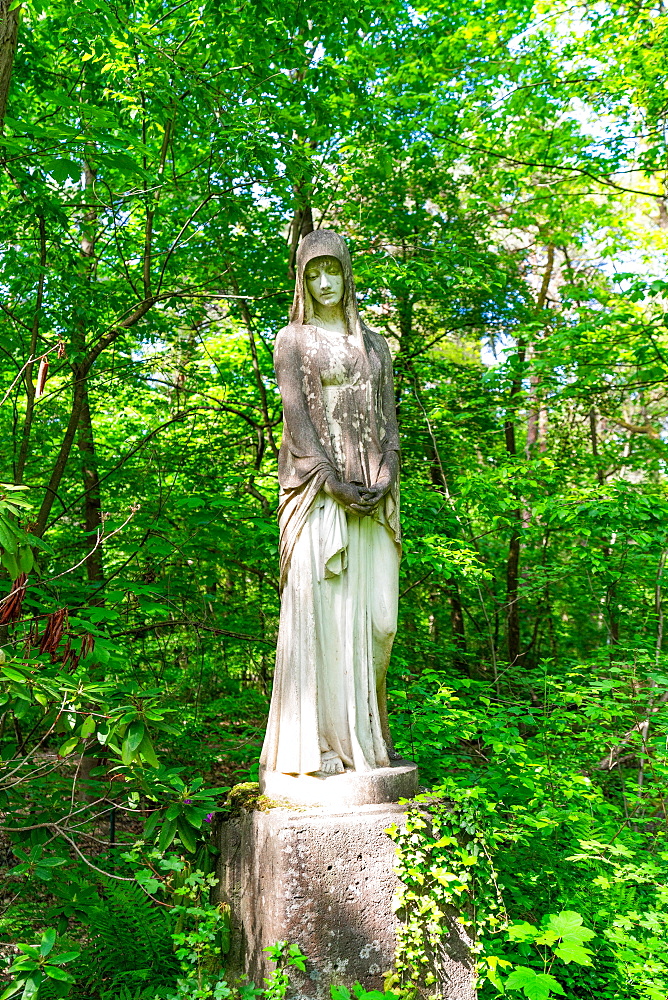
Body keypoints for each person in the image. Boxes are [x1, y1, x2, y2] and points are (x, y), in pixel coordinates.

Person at [260, 229, 401, 777]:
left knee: (379, 622)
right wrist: (332, 482)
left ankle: (367, 735)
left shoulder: (374, 344)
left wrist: (386, 472)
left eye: (333, 271)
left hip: (373, 491)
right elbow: (298, 423)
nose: (324, 283)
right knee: (322, 616)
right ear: (302, 279)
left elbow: (389, 422)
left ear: (347, 275)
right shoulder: (292, 341)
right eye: (313, 272)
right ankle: (315, 745)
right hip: (318, 495)